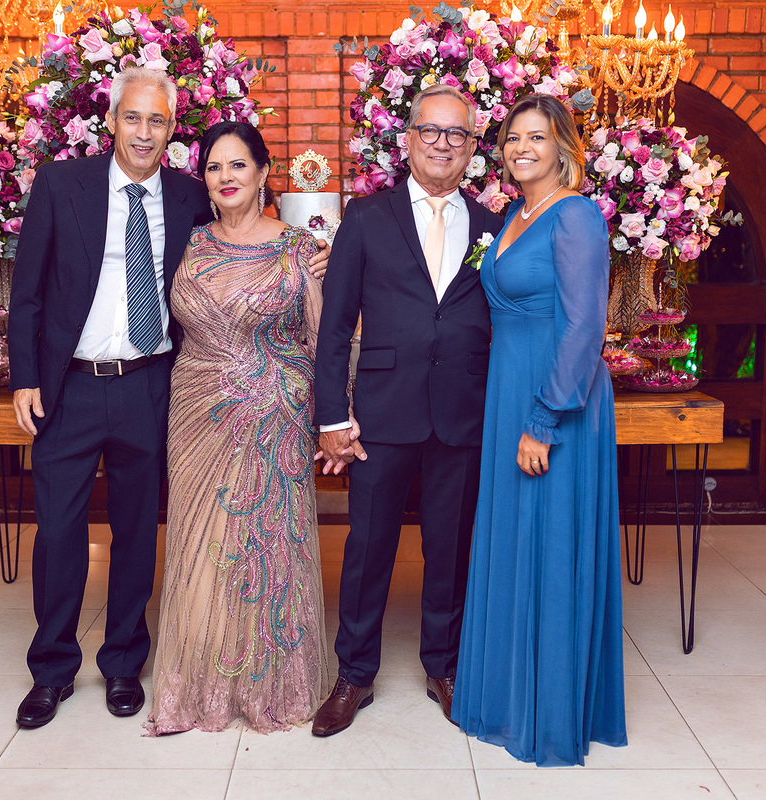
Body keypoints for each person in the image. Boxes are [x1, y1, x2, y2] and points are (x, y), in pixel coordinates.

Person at [8, 68, 327, 729]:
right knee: (59, 532)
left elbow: (254, 247)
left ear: (171, 130)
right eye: (133, 117)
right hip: (69, 386)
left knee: (137, 531)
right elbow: (27, 291)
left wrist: (317, 259)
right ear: (111, 121)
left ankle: (124, 662)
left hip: (153, 385)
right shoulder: (62, 185)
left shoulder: (189, 198)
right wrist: (24, 377)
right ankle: (52, 671)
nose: (143, 132)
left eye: (157, 121)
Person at [311, 84, 504, 736]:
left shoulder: (493, 226)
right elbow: (335, 325)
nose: (443, 144)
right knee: (368, 549)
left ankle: (444, 667)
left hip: (463, 413)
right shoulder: (367, 218)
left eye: (458, 134)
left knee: (450, 548)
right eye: (432, 131)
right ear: (409, 139)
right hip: (382, 414)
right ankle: (354, 674)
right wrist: (332, 416)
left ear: (472, 149)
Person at [451, 93, 627, 766]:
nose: (522, 148)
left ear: (563, 148)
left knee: (549, 543)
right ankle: (504, 695)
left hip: (556, 400)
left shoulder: (575, 215)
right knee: (512, 539)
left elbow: (584, 327)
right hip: (508, 392)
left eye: (537, 137)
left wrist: (544, 419)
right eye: (513, 138)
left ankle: (547, 712)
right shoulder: (512, 216)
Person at [144, 121, 331, 734]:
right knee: (201, 543)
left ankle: (270, 685)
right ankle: (202, 682)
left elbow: (323, 339)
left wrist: (334, 414)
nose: (226, 177)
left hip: (275, 417)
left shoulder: (301, 248)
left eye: (238, 165)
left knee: (265, 546)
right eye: (214, 167)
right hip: (194, 412)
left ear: (263, 172)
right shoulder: (186, 241)